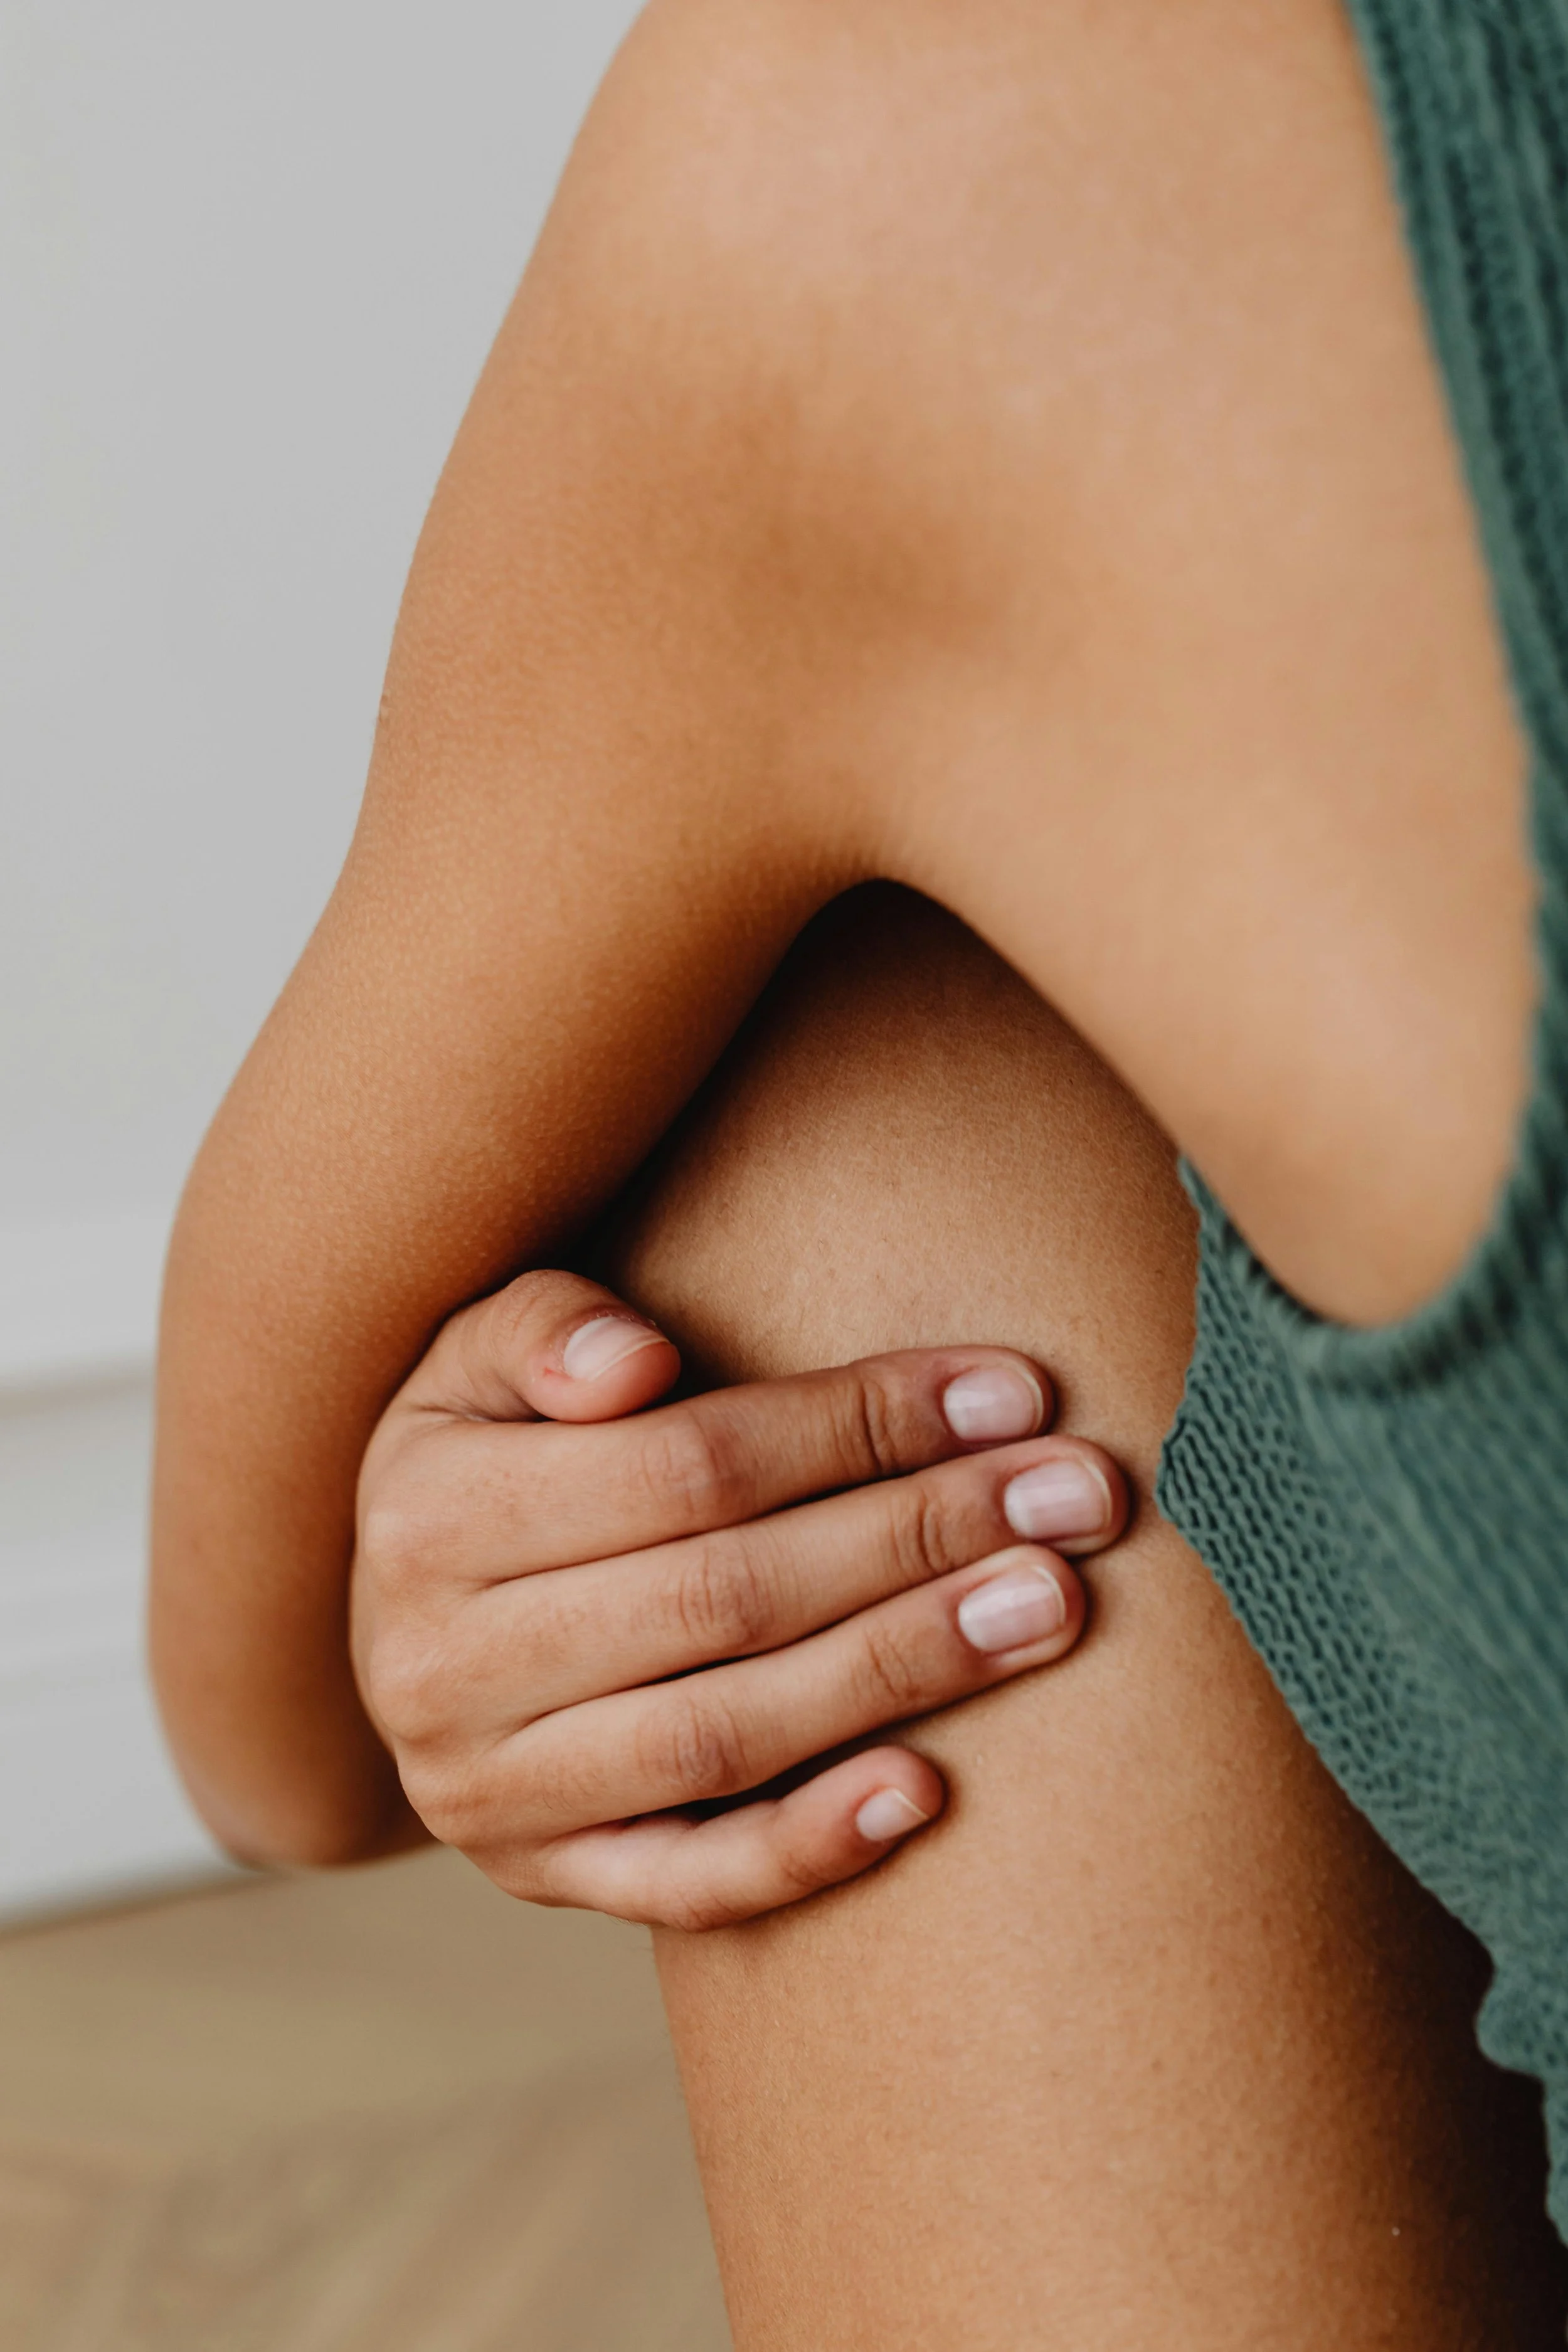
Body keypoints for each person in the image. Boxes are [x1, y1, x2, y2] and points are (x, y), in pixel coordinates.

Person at [151, 0, 1568, 2340]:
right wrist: (505, 1594)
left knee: (850, 1076)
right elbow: (291, 1713)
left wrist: (465, 1615)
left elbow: (263, 1727)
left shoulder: (927, 133)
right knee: (872, 1049)